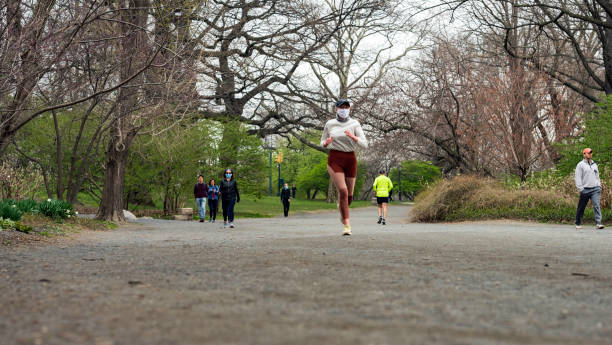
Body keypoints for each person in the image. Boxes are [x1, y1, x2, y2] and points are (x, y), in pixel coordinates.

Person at [321, 99, 368, 235]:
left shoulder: (354, 123)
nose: (344, 109)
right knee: (343, 190)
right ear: (336, 109)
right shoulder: (330, 124)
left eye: (346, 107)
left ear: (349, 109)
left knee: (349, 197)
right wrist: (326, 143)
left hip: (350, 159)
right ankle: (347, 225)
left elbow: (365, 144)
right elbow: (322, 141)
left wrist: (353, 137)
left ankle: (342, 207)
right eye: (341, 107)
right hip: (335, 158)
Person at [575, 148, 605, 230]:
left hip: (595, 189)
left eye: (591, 153)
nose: (590, 154)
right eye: (588, 153)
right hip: (585, 189)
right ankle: (577, 222)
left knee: (596, 205)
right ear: (584, 154)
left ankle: (598, 223)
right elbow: (578, 178)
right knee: (581, 207)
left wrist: (599, 186)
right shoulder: (580, 165)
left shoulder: (594, 164)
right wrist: (581, 189)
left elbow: (597, 176)